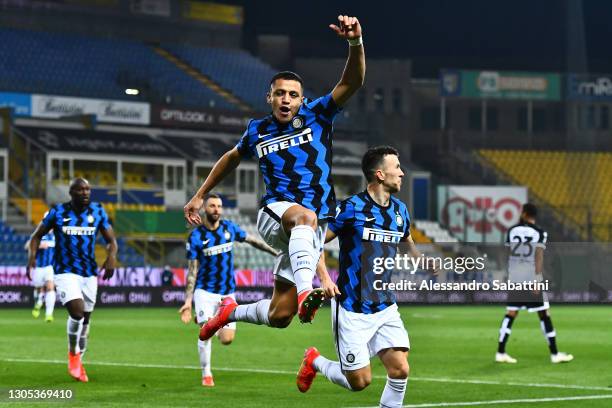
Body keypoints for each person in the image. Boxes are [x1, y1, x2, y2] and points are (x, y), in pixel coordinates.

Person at [185, 15, 365, 340]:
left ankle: (228, 314)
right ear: (270, 98)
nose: (285, 99)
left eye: (292, 95)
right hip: (277, 214)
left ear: (302, 99)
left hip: (309, 227)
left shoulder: (318, 115)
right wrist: (200, 194)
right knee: (304, 218)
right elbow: (232, 157)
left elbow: (352, 82)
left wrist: (355, 42)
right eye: (279, 93)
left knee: (280, 315)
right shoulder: (258, 130)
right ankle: (303, 292)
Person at [297, 146, 436, 408]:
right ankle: (315, 360)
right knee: (359, 382)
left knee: (400, 370)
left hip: (385, 305)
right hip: (352, 307)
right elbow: (313, 241)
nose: (402, 173)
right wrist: (325, 279)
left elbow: (405, 240)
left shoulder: (400, 211)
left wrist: (421, 261)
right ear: (380, 174)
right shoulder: (351, 208)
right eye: (397, 168)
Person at [178, 193, 277, 387]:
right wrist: (188, 302)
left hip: (227, 292)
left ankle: (212, 322)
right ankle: (206, 374)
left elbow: (253, 241)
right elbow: (192, 271)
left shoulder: (229, 228)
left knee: (227, 339)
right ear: (205, 209)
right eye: (213, 206)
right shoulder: (196, 236)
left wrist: (276, 253)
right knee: (205, 331)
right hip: (205, 291)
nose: (217, 209)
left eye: (219, 206)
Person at [27, 178, 117, 382]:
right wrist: (31, 257)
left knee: (85, 320)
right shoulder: (58, 212)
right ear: (71, 192)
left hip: (89, 273)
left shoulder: (98, 211)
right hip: (65, 271)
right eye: (80, 189)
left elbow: (111, 241)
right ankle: (72, 354)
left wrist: (111, 257)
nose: (85, 192)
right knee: (76, 312)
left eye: (88, 189)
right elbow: (36, 236)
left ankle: (79, 360)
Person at [495, 203, 573, 364]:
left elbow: (507, 253)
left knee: (511, 313)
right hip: (531, 277)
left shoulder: (512, 231)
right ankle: (555, 354)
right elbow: (538, 256)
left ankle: (500, 352)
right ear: (533, 215)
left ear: (524, 213)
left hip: (515, 276)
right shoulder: (540, 233)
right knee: (544, 314)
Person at [25, 222, 56, 322]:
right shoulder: (39, 234)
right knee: (39, 290)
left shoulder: (57, 236)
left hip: (49, 267)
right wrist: (39, 245)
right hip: (38, 267)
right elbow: (26, 246)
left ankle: (49, 314)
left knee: (51, 288)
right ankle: (38, 303)